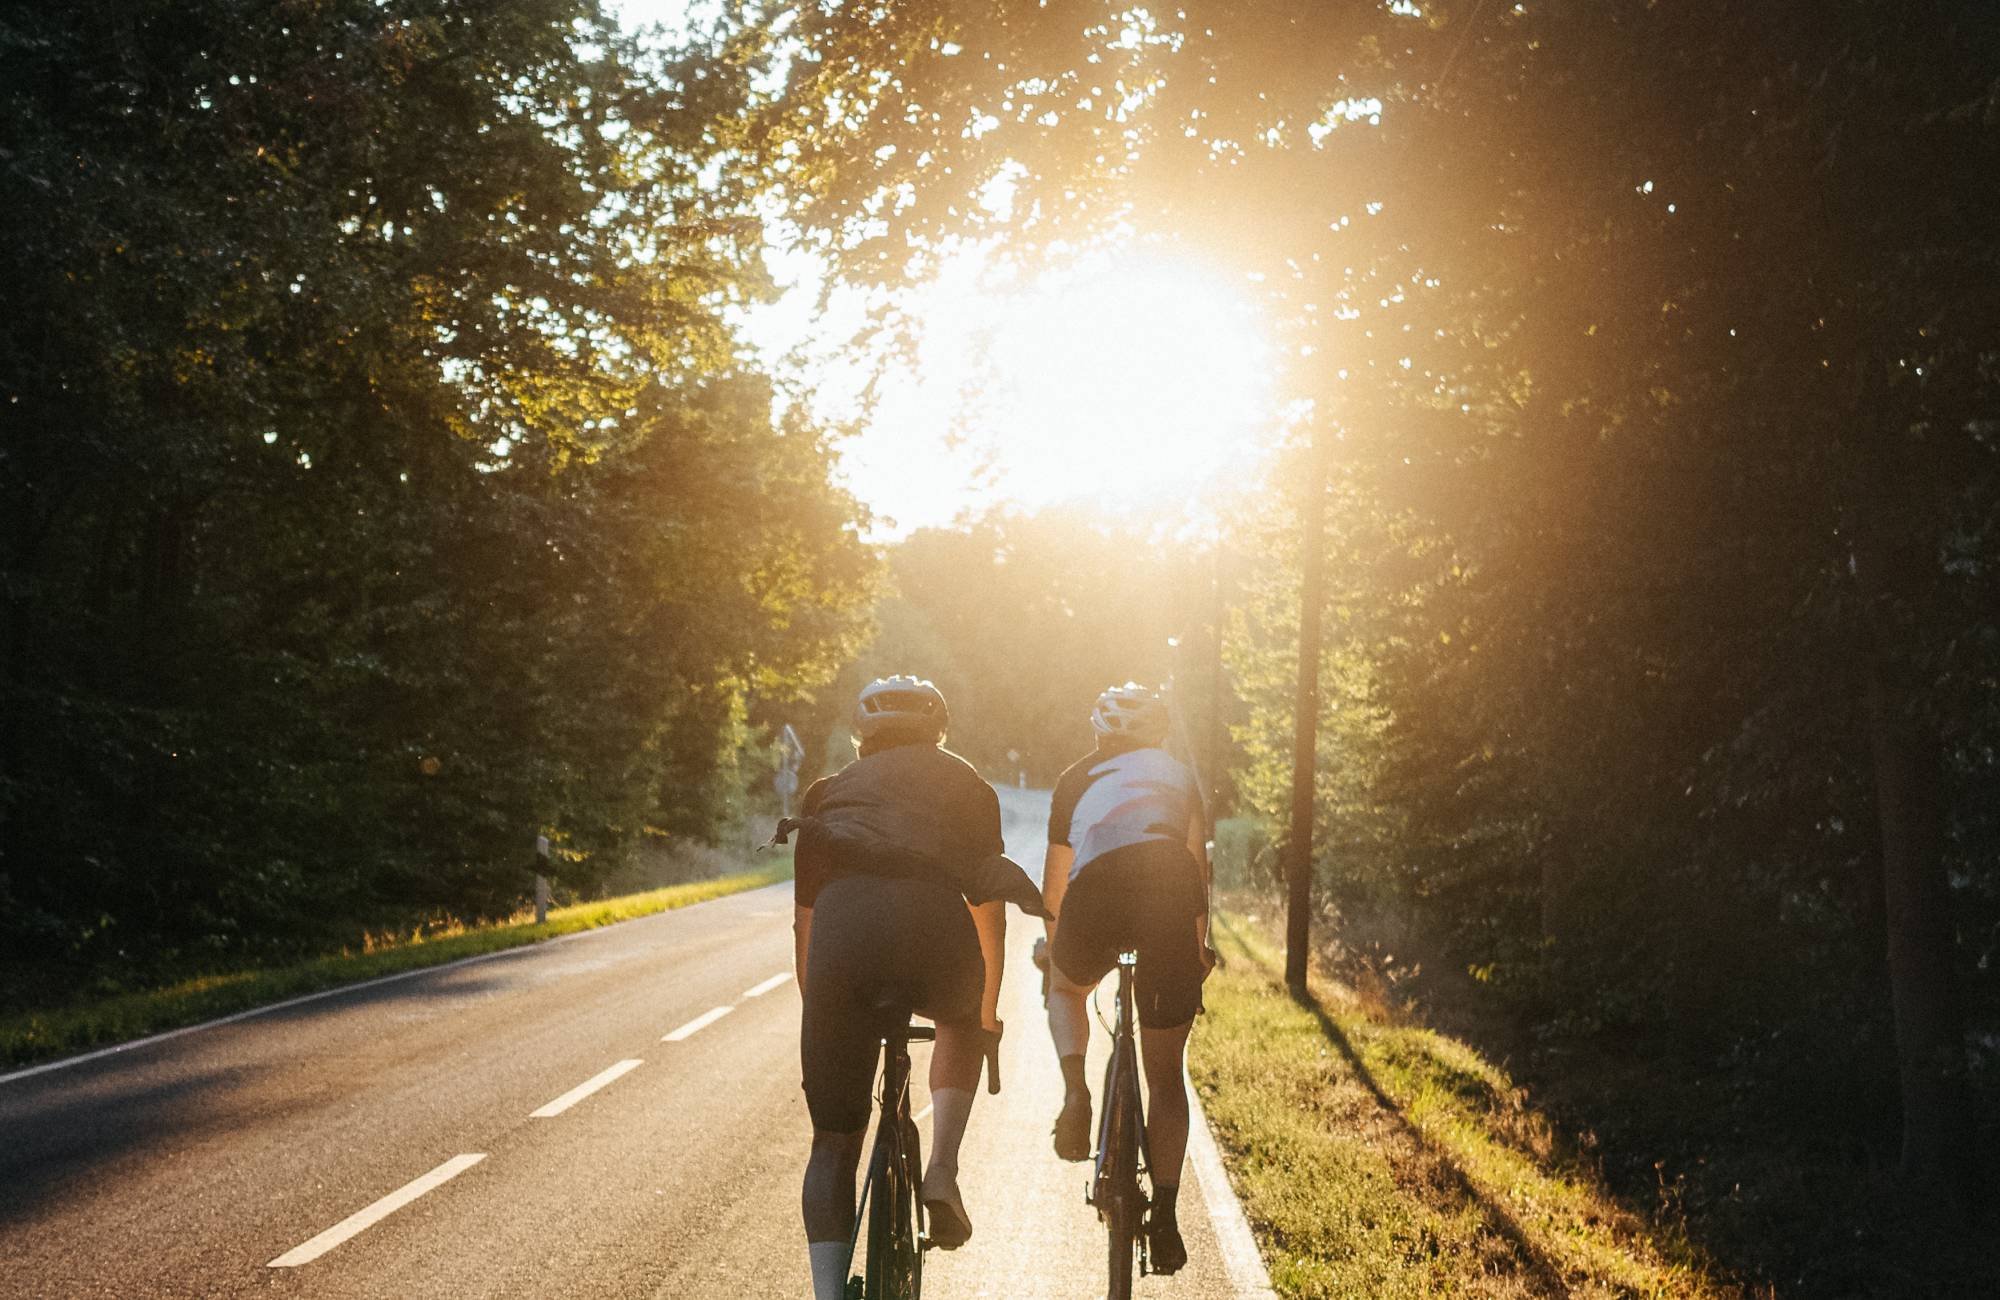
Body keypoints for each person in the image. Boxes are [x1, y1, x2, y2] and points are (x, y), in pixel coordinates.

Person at [789, 675, 1044, 1300]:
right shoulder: (970, 787)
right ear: (938, 732)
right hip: (936, 934)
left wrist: (826, 1017)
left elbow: (806, 924)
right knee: (959, 1018)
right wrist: (982, 1014)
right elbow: (988, 909)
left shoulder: (826, 794)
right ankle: (943, 1172)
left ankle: (827, 1294)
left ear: (862, 736)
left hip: (843, 943)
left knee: (832, 1145)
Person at [1040, 682, 1213, 1275]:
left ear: (1099, 732)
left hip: (1095, 900)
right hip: (1167, 904)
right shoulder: (1181, 778)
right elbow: (1196, 874)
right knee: (1165, 1077)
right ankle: (1164, 1216)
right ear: (1159, 733)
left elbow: (1056, 884)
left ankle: (1076, 1089)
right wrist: (1197, 951)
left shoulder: (1074, 779)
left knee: (1066, 989)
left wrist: (1054, 947)